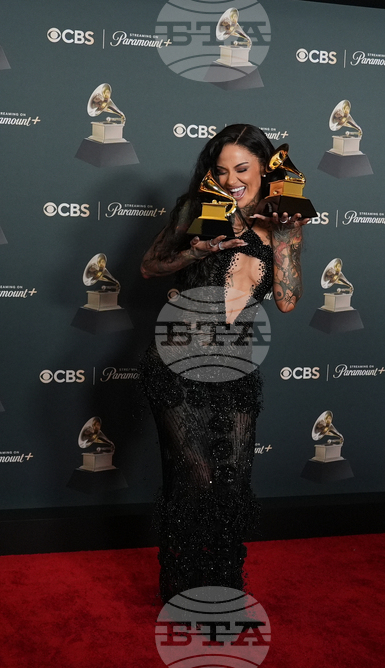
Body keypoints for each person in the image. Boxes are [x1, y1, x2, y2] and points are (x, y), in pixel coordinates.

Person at [139, 124, 308, 603]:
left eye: (242, 169)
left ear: (264, 170)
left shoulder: (282, 220)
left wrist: (285, 232)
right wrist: (198, 248)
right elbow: (150, 266)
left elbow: (289, 298)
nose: (232, 179)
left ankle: (221, 588)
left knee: (231, 482)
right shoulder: (199, 208)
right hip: (175, 359)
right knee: (194, 476)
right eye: (222, 169)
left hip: (234, 365)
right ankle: (183, 590)